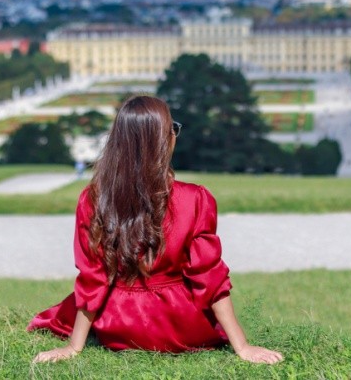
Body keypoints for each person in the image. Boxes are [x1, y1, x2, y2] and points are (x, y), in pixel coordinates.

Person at [29, 95, 283, 365]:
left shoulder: (93, 199)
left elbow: (94, 278)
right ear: (163, 140)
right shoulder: (196, 199)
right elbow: (208, 276)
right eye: (172, 127)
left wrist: (74, 346)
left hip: (117, 324)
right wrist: (241, 346)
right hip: (179, 325)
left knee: (62, 310)